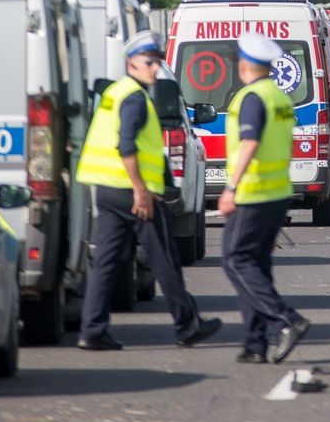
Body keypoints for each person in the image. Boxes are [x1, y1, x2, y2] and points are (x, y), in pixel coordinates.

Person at [76, 30, 221, 351]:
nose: (154, 68)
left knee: (107, 261)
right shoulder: (136, 98)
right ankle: (187, 326)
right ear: (131, 63)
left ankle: (92, 329)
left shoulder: (115, 91)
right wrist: (141, 191)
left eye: (156, 62)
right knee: (164, 258)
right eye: (148, 62)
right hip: (133, 193)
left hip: (108, 190)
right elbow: (125, 145)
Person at [220, 31, 311, 365]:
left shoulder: (252, 97)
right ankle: (254, 343)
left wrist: (231, 188)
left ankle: (286, 320)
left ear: (245, 64)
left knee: (235, 260)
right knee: (255, 264)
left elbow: (250, 143)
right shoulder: (280, 98)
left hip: (253, 193)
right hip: (276, 193)